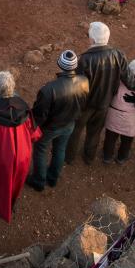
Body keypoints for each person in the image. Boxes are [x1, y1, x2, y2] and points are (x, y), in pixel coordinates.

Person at [66, 22, 133, 165]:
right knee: (94, 132)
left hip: (85, 105)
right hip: (104, 103)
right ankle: (89, 157)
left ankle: (69, 157)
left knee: (76, 130)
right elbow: (129, 79)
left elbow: (76, 87)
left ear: (93, 39)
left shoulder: (84, 59)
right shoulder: (118, 55)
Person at [0, 71, 38, 223]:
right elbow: (34, 133)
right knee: (16, 183)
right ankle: (11, 206)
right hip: (23, 155)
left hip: (1, 157)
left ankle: (0, 209)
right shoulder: (23, 106)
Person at [28, 51, 89, 191]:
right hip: (69, 124)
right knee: (60, 149)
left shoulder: (49, 89)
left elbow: (39, 114)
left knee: (41, 150)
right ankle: (53, 178)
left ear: (59, 65)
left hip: (50, 127)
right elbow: (83, 102)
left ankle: (39, 181)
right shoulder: (84, 81)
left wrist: (36, 126)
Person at [103, 59, 135, 165]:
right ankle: (121, 158)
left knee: (110, 138)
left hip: (113, 115)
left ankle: (107, 156)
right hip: (130, 120)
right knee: (127, 141)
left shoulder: (117, 80)